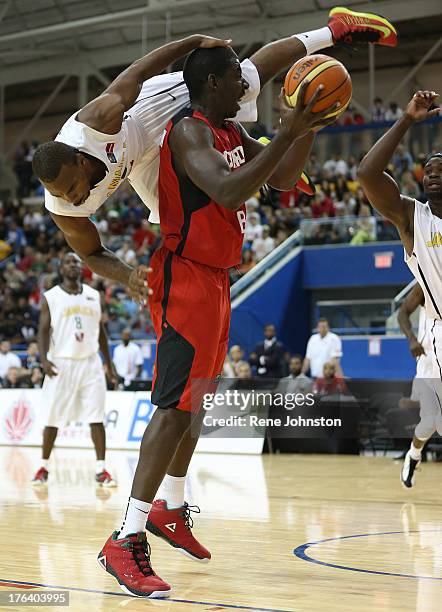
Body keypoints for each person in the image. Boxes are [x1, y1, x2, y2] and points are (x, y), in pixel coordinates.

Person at [97, 40, 346, 598]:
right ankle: (126, 536)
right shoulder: (190, 132)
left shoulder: (232, 133)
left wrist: (306, 126)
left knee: (197, 402)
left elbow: (280, 178)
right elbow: (231, 187)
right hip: (184, 277)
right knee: (171, 408)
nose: (246, 86)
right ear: (212, 83)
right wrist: (286, 127)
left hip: (214, 279)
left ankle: (170, 507)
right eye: (239, 78)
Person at [32, 11, 397, 302]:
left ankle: (334, 29)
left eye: (73, 188)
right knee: (176, 215)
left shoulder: (98, 121)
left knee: (247, 78)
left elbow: (139, 71)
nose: (72, 197)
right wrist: (128, 274)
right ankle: (259, 153)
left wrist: (192, 42)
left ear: (80, 161)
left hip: (144, 116)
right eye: (63, 195)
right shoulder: (64, 207)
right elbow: (91, 253)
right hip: (138, 164)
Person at [357, 90, 441, 488]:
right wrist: (407, 119)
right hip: (438, 330)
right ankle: (413, 453)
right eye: (428, 167)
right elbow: (367, 175)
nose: (433, 170)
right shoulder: (413, 218)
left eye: (441, 165)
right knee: (430, 420)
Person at [31, 252, 119, 487]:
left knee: (97, 417)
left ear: (81, 268)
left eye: (76, 262)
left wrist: (109, 364)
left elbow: (101, 332)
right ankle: (43, 467)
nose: (73, 265)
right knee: (52, 417)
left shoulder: (93, 295)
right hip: (61, 362)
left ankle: (101, 470)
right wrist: (43, 360)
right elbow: (42, 330)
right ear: (61, 269)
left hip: (90, 363)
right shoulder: (51, 297)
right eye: (68, 262)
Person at [396, 282, 441, 487]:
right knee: (431, 421)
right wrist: (411, 339)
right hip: (427, 358)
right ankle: (413, 455)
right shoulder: (426, 282)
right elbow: (402, 313)